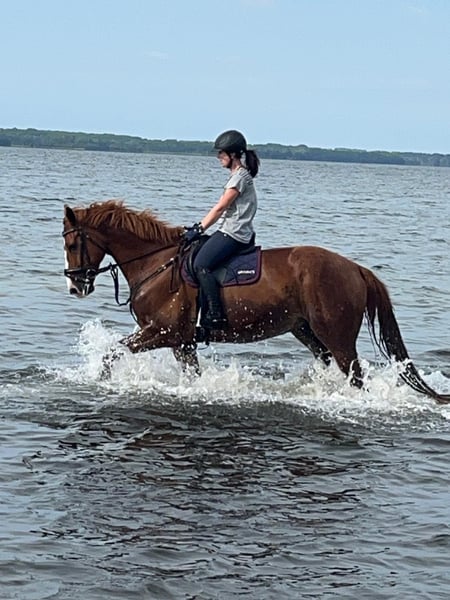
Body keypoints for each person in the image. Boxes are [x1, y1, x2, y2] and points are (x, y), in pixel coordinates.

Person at [184, 129, 260, 330]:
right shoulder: (239, 175)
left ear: (233, 154)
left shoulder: (239, 178)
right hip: (232, 229)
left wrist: (199, 228)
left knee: (201, 264)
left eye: (221, 153)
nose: (219, 156)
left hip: (234, 232)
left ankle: (215, 314)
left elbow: (220, 207)